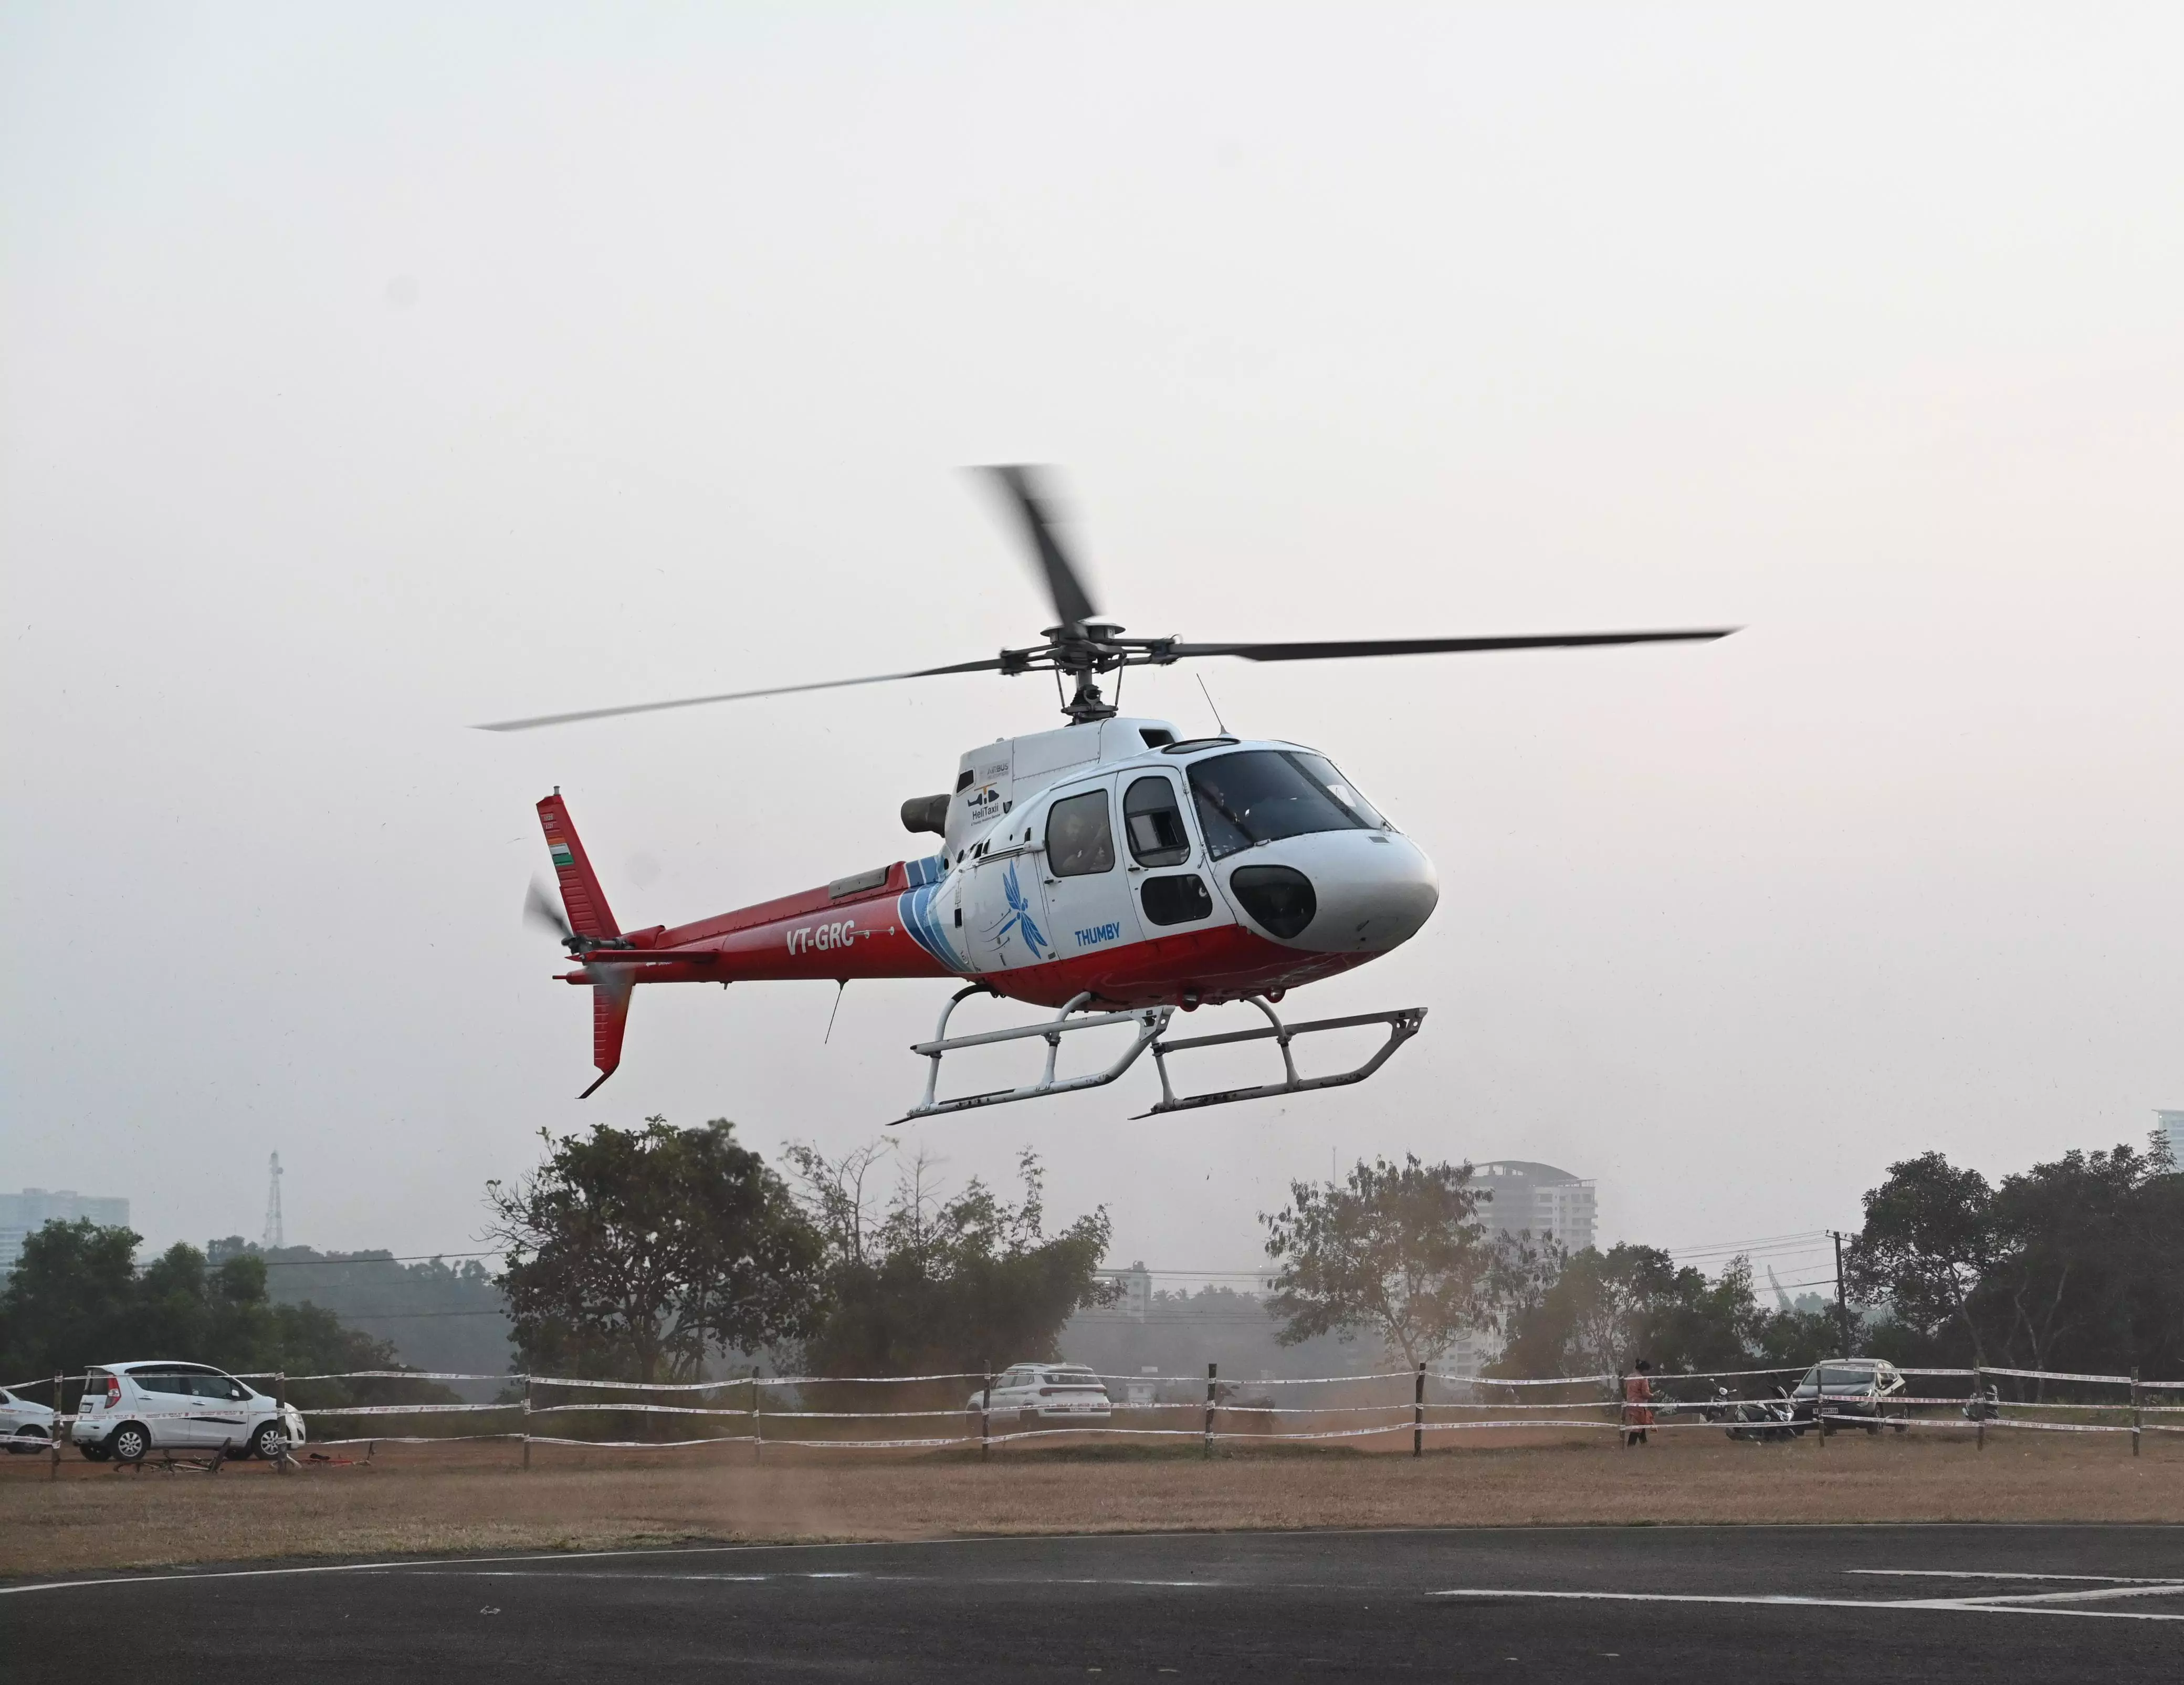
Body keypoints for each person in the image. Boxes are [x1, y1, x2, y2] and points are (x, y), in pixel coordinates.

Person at [1622, 1358, 1655, 1447]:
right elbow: (1645, 1394)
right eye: (1647, 1371)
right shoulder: (1643, 1379)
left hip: (1631, 1404)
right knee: (1637, 1426)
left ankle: (1644, 1444)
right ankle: (1631, 1446)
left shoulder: (1629, 1377)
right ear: (1644, 1370)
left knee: (1641, 1424)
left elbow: (1626, 1390)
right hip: (1640, 1405)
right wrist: (1653, 1395)